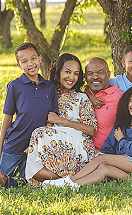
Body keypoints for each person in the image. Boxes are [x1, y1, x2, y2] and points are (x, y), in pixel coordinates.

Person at [0, 42, 58, 189]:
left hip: (35, 147)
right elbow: (7, 118)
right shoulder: (14, 86)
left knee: (26, 181)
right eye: (24, 61)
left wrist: (39, 143)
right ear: (18, 65)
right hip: (15, 143)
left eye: (33, 58)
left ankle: (4, 180)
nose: (30, 64)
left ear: (40, 59)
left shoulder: (49, 87)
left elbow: (51, 119)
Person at [54, 85, 132, 189]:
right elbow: (109, 145)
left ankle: (66, 182)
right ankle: (73, 185)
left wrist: (121, 139)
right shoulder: (121, 125)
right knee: (103, 168)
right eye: (131, 100)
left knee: (102, 159)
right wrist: (104, 153)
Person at [25, 53, 97, 185]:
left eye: (76, 73)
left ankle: (64, 181)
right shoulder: (47, 95)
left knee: (39, 134)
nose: (71, 77)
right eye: (67, 72)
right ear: (58, 72)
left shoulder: (81, 98)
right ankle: (64, 182)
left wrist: (61, 120)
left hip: (77, 146)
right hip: (49, 142)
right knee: (33, 165)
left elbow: (91, 130)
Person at [81, 57, 122, 151]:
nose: (95, 77)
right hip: (81, 152)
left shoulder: (120, 97)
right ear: (85, 77)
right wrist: (87, 93)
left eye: (100, 72)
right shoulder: (81, 96)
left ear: (108, 74)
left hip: (106, 154)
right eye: (90, 73)